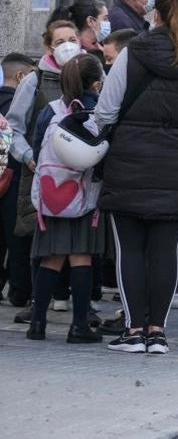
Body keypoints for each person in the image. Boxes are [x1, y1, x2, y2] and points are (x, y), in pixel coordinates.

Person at [94, 0, 178, 354]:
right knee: (165, 252)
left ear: (156, 14)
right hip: (176, 168)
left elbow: (105, 110)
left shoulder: (134, 52)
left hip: (128, 164)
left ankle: (133, 331)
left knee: (129, 250)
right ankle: (157, 332)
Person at [26, 54, 108, 343]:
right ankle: (79, 326)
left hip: (50, 196)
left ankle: (37, 324)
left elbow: (37, 151)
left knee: (51, 258)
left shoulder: (50, 110)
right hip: (84, 195)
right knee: (81, 257)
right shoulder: (97, 111)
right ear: (96, 82)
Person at [6, 20, 81, 323]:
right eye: (60, 40)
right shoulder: (35, 80)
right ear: (49, 46)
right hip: (41, 171)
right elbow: (13, 126)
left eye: (72, 38)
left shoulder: (90, 72)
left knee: (79, 240)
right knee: (41, 238)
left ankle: (73, 300)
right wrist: (27, 157)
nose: (67, 45)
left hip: (78, 173)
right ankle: (39, 300)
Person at [0, 53, 35, 307]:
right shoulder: (18, 105)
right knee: (17, 236)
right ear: (21, 76)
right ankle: (19, 291)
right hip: (12, 177)